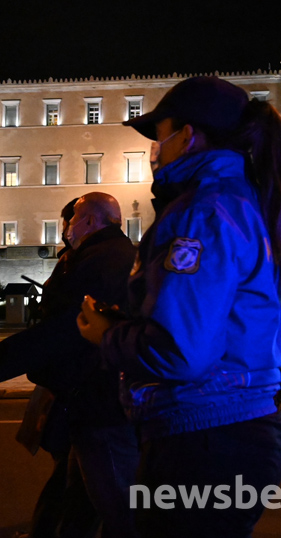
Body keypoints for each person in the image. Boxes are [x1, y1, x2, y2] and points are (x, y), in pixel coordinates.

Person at [75, 76, 281, 537]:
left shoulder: (205, 210)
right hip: (229, 429)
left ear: (188, 135)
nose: (156, 149)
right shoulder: (243, 202)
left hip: (204, 436)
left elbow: (182, 352)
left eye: (160, 135)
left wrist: (107, 335)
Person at [2, 194, 138, 538]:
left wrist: (5, 361)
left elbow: (66, 330)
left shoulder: (103, 260)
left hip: (99, 401)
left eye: (72, 220)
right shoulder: (105, 255)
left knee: (117, 505)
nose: (67, 230)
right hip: (91, 399)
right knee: (76, 495)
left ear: (89, 221)